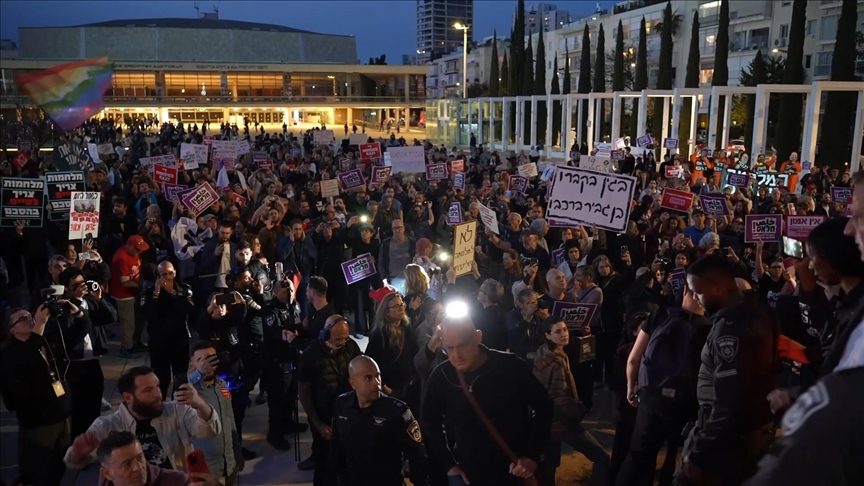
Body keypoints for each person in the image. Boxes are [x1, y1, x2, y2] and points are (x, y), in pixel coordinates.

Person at [676, 255, 780, 485]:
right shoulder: (758, 310)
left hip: (727, 439)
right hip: (750, 431)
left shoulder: (730, 330)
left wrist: (699, 451)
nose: (694, 298)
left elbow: (728, 400)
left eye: (698, 292)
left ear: (718, 288)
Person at [421, 306, 553, 485]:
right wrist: (449, 465)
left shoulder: (509, 366)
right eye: (449, 348)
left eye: (462, 345)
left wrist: (532, 456)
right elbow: (430, 423)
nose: (456, 355)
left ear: (478, 337)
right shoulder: (442, 376)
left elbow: (545, 407)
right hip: (469, 474)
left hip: (514, 472)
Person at [617, 284, 712, 486]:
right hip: (686, 403)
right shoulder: (709, 327)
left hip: (651, 398)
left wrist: (631, 387)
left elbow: (633, 359)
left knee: (638, 458)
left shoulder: (660, 315)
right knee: (676, 455)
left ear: (685, 290)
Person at [64, 366, 221, 472]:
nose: (158, 394)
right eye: (148, 390)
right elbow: (75, 462)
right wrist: (79, 453)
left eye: (157, 386)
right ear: (128, 397)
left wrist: (200, 405)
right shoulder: (107, 425)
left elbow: (210, 431)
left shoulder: (177, 410)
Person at [534, 316, 609, 486]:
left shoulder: (543, 352)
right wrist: (578, 410)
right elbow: (559, 397)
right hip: (562, 422)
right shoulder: (558, 361)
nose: (564, 334)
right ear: (548, 335)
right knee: (601, 457)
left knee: (549, 467)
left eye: (565, 330)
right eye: (558, 331)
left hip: (546, 420)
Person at [0, 306, 70, 486]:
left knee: (59, 467)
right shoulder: (9, 354)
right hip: (37, 422)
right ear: (12, 330)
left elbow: (76, 334)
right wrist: (39, 325)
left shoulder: (41, 341)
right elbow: (26, 366)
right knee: (38, 472)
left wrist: (77, 312)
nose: (30, 319)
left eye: (29, 316)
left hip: (59, 415)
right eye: (22, 319)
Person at [329, 356, 426, 486]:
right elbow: (336, 448)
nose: (377, 382)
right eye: (368, 378)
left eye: (378, 376)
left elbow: (417, 455)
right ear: (353, 383)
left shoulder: (397, 411)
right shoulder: (343, 405)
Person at [296, 315, 362, 481]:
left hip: (348, 414)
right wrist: (317, 424)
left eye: (345, 338)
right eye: (338, 338)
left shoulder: (350, 346)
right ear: (325, 334)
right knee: (325, 464)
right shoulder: (310, 355)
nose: (342, 343)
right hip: (324, 417)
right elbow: (304, 393)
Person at [174, 342, 241, 485]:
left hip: (228, 464)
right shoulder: (189, 389)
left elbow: (230, 418)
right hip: (205, 470)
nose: (207, 364)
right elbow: (179, 390)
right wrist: (200, 373)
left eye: (211, 359)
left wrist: (237, 450)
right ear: (192, 365)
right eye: (201, 361)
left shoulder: (221, 384)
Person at [143, 261, 194, 398]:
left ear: (175, 273)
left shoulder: (184, 289)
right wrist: (156, 294)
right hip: (159, 341)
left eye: (170, 273)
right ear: (158, 275)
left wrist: (172, 293)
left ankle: (179, 407)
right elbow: (147, 314)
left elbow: (187, 310)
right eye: (164, 274)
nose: (167, 277)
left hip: (179, 340)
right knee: (160, 378)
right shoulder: (150, 290)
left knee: (180, 377)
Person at [366, 292, 419, 402]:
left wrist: (413, 377)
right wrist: (384, 387)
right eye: (396, 306)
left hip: (408, 385)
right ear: (386, 312)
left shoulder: (406, 327)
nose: (401, 308)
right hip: (390, 389)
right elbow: (371, 362)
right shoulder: (379, 334)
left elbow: (414, 351)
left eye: (401, 304)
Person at [97, 431, 190, 486]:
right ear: (107, 473)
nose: (138, 468)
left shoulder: (178, 482)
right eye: (127, 464)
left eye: (139, 458)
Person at [110, 234, 150, 358]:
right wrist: (142, 285)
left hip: (134, 292)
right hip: (124, 295)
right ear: (129, 246)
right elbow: (126, 282)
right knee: (128, 323)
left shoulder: (134, 253)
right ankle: (126, 348)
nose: (139, 252)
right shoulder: (121, 258)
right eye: (137, 249)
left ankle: (135, 342)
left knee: (139, 319)